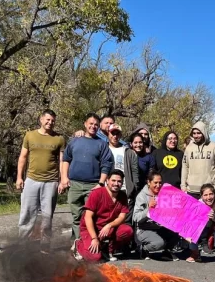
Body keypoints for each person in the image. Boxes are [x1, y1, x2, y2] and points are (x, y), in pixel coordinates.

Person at [15, 109, 67, 252]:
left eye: (53, 121)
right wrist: (19, 177)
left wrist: (63, 180)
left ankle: (45, 245)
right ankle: (22, 244)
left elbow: (62, 161)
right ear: (41, 120)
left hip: (51, 182)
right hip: (31, 180)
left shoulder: (59, 139)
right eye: (48, 120)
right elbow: (23, 157)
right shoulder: (30, 135)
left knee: (47, 216)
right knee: (27, 213)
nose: (50, 123)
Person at [61, 113, 113, 242]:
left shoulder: (101, 144)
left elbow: (106, 164)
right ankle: (77, 242)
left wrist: (101, 183)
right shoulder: (75, 141)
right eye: (91, 124)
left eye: (96, 125)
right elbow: (66, 159)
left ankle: (91, 243)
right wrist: (64, 178)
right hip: (74, 184)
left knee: (91, 216)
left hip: (93, 185)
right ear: (85, 124)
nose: (93, 126)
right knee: (76, 216)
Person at [74, 170, 134, 262]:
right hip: (91, 228)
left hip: (108, 228)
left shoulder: (122, 195)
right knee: (94, 258)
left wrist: (109, 225)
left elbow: (122, 217)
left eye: (119, 181)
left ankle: (107, 250)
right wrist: (94, 238)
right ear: (107, 180)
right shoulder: (97, 193)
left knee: (127, 230)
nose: (116, 184)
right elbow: (88, 217)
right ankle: (78, 245)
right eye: (113, 180)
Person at [132, 172, 179, 261]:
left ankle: (166, 251)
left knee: (178, 230)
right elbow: (136, 218)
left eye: (160, 183)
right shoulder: (141, 196)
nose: (158, 185)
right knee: (159, 243)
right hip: (144, 229)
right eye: (155, 183)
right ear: (149, 182)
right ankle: (143, 249)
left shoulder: (165, 193)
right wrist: (149, 209)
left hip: (160, 227)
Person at [181, 121, 215, 199]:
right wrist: (183, 185)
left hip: (208, 191)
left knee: (210, 212)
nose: (196, 136)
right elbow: (185, 166)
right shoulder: (189, 148)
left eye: (199, 133)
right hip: (191, 191)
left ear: (204, 132)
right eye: (194, 133)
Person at [106, 124, 139, 222]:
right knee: (107, 218)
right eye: (112, 133)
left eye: (117, 134)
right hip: (108, 190)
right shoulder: (103, 149)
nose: (115, 136)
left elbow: (135, 173)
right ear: (108, 134)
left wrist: (133, 188)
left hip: (125, 190)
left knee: (125, 221)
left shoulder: (129, 152)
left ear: (120, 135)